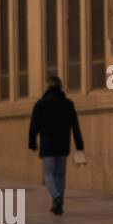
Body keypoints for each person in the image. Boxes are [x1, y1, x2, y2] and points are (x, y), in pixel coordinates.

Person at [27, 75, 84, 215]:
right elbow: (75, 126)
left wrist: (32, 142)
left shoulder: (41, 103)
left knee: (48, 174)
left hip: (47, 146)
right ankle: (58, 202)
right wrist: (79, 144)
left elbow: (33, 125)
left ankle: (56, 197)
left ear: (47, 86)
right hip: (63, 145)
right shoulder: (67, 103)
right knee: (60, 174)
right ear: (60, 86)